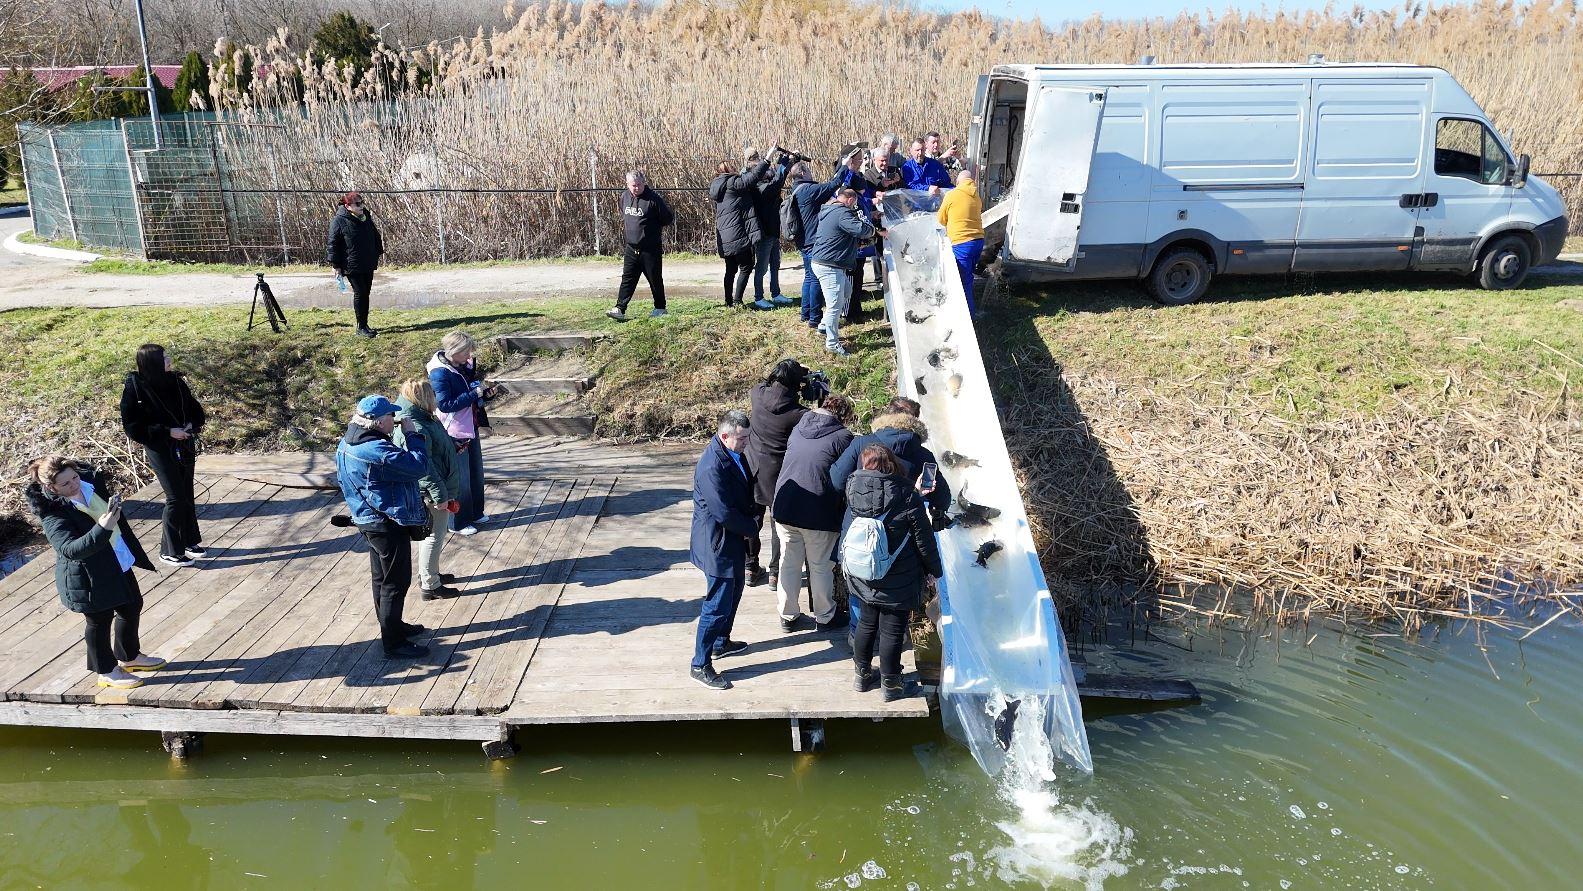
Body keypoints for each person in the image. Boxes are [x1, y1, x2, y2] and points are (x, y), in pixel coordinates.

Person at [26, 456, 165, 690]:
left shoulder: (90, 484)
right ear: (51, 488)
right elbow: (70, 549)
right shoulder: (52, 514)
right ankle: (106, 671)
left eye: (74, 477)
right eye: (66, 484)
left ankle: (129, 656)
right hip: (87, 577)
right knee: (99, 621)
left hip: (117, 560)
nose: (74, 484)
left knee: (131, 606)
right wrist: (103, 527)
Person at [830, 396, 952, 630]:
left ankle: (858, 639)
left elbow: (836, 479)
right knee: (897, 587)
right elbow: (942, 497)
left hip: (859, 527)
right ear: (915, 420)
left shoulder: (862, 444)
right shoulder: (922, 454)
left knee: (859, 578)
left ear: (887, 415)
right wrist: (923, 498)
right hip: (902, 537)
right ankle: (893, 641)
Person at [841, 443, 941, 701]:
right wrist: (934, 571)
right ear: (891, 464)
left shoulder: (854, 488)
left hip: (863, 570)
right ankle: (892, 685)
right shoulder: (907, 495)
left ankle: (862, 676)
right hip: (897, 574)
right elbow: (923, 540)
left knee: (866, 622)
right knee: (892, 630)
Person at [335, 395, 431, 659]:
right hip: (387, 522)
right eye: (390, 416)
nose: (394, 420)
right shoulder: (376, 450)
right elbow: (418, 466)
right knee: (395, 583)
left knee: (381, 579)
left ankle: (392, 626)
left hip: (367, 520)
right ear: (377, 422)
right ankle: (394, 643)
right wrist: (413, 436)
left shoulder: (346, 443)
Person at [771, 393, 855, 633]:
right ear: (843, 416)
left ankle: (787, 616)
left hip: (785, 506)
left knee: (789, 562)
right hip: (818, 510)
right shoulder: (843, 437)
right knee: (820, 567)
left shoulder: (798, 427)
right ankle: (825, 616)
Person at [689, 410, 759, 690]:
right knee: (716, 605)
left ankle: (721, 642)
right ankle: (700, 664)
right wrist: (752, 527)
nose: (746, 443)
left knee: (736, 590)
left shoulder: (732, 453)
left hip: (731, 540)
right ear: (724, 435)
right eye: (741, 439)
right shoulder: (711, 466)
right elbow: (722, 511)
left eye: (747, 438)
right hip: (716, 543)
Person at [119, 343, 206, 568]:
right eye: (164, 357)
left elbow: (196, 411)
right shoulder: (135, 389)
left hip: (185, 444)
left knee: (186, 493)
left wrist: (190, 425)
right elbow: (133, 427)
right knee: (175, 497)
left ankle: (188, 541)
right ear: (152, 362)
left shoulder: (176, 382)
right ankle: (169, 550)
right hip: (160, 448)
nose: (169, 360)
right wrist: (168, 432)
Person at [746, 360, 812, 589]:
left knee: (752, 519)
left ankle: (750, 567)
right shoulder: (798, 414)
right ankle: (775, 572)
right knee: (778, 524)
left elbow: (763, 384)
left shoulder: (757, 394)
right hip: (779, 473)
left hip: (752, 466)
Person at [395, 378, 463, 601]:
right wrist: (440, 495)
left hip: (435, 488)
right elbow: (425, 468)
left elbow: (434, 450)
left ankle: (430, 573)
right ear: (424, 398)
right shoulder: (419, 425)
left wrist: (452, 445)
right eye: (433, 394)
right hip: (431, 493)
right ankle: (430, 584)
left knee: (433, 535)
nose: (437, 398)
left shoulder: (423, 418)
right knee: (434, 536)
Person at [427, 331, 495, 536]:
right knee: (460, 478)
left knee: (475, 472)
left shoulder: (462, 366)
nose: (470, 355)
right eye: (466, 351)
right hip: (453, 430)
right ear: (454, 351)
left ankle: (475, 512)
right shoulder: (439, 373)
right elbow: (445, 405)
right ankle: (457, 522)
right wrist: (473, 394)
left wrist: (484, 396)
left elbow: (468, 393)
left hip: (469, 425)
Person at [789, 153, 866, 330]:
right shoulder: (807, 190)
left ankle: (805, 312)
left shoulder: (797, 189)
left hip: (803, 239)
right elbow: (833, 185)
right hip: (811, 239)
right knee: (815, 279)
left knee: (809, 277)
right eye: (808, 170)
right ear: (802, 173)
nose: (810, 173)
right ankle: (815, 318)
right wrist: (844, 166)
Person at [809, 188, 877, 356]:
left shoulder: (830, 210)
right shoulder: (842, 213)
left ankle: (824, 326)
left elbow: (841, 237)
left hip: (825, 263)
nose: (855, 207)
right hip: (830, 266)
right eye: (855, 204)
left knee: (846, 292)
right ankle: (832, 343)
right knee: (835, 306)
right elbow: (861, 229)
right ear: (850, 200)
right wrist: (875, 231)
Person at [607, 171, 675, 321]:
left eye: (639, 185)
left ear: (644, 183)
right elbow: (624, 213)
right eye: (633, 185)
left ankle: (660, 308)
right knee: (627, 279)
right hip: (631, 247)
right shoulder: (624, 197)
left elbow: (667, 219)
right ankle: (620, 308)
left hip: (650, 249)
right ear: (627, 185)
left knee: (654, 279)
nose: (636, 188)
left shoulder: (654, 200)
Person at [710, 150, 774, 308]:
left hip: (724, 235)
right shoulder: (733, 182)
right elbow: (752, 178)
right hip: (737, 234)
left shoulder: (717, 185)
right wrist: (767, 158)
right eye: (731, 166)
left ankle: (728, 301)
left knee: (730, 269)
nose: (734, 168)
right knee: (746, 266)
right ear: (727, 170)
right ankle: (737, 301)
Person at [325, 190, 385, 338]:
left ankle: (365, 325)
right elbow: (332, 244)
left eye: (362, 202)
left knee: (366, 294)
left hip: (367, 262)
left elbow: (374, 235)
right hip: (351, 264)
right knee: (361, 293)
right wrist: (335, 265)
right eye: (357, 204)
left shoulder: (365, 217)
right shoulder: (339, 220)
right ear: (347, 206)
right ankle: (361, 327)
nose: (361, 206)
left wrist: (377, 250)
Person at [938, 167, 986, 315]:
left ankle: (968, 315)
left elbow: (941, 219)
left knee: (963, 281)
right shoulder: (977, 196)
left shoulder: (952, 195)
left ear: (958, 181)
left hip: (962, 243)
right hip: (978, 241)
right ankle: (967, 308)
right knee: (968, 276)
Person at [750, 151, 794, 310]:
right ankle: (758, 297)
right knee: (761, 268)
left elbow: (777, 175)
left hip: (773, 231)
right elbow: (777, 182)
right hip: (764, 233)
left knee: (775, 264)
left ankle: (776, 294)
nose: (770, 172)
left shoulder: (767, 184)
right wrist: (786, 165)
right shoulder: (760, 188)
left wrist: (786, 159)